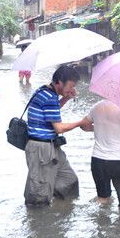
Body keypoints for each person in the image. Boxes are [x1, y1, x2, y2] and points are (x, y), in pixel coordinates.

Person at [23, 65, 84, 207]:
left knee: (69, 180)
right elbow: (58, 128)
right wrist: (82, 122)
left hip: (49, 146)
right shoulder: (50, 97)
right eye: (71, 86)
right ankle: (39, 222)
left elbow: (49, 112)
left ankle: (59, 211)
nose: (72, 89)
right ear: (60, 82)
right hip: (42, 149)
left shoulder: (45, 91)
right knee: (39, 194)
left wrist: (66, 98)